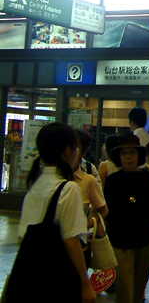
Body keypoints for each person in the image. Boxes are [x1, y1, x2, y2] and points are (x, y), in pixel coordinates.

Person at [17, 122, 95, 303]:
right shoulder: (68, 188)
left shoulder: (35, 184)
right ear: (68, 151)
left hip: (30, 272)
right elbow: (71, 240)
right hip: (58, 277)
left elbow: (22, 235)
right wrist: (85, 285)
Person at [105, 135, 149, 303]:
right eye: (124, 153)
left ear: (139, 155)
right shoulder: (112, 181)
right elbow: (107, 213)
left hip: (145, 240)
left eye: (132, 152)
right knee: (124, 288)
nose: (128, 157)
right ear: (119, 156)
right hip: (120, 240)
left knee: (139, 287)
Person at [73, 130, 108, 219]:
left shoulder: (89, 170)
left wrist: (90, 221)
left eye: (74, 147)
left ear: (83, 152)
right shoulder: (51, 174)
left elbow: (102, 208)